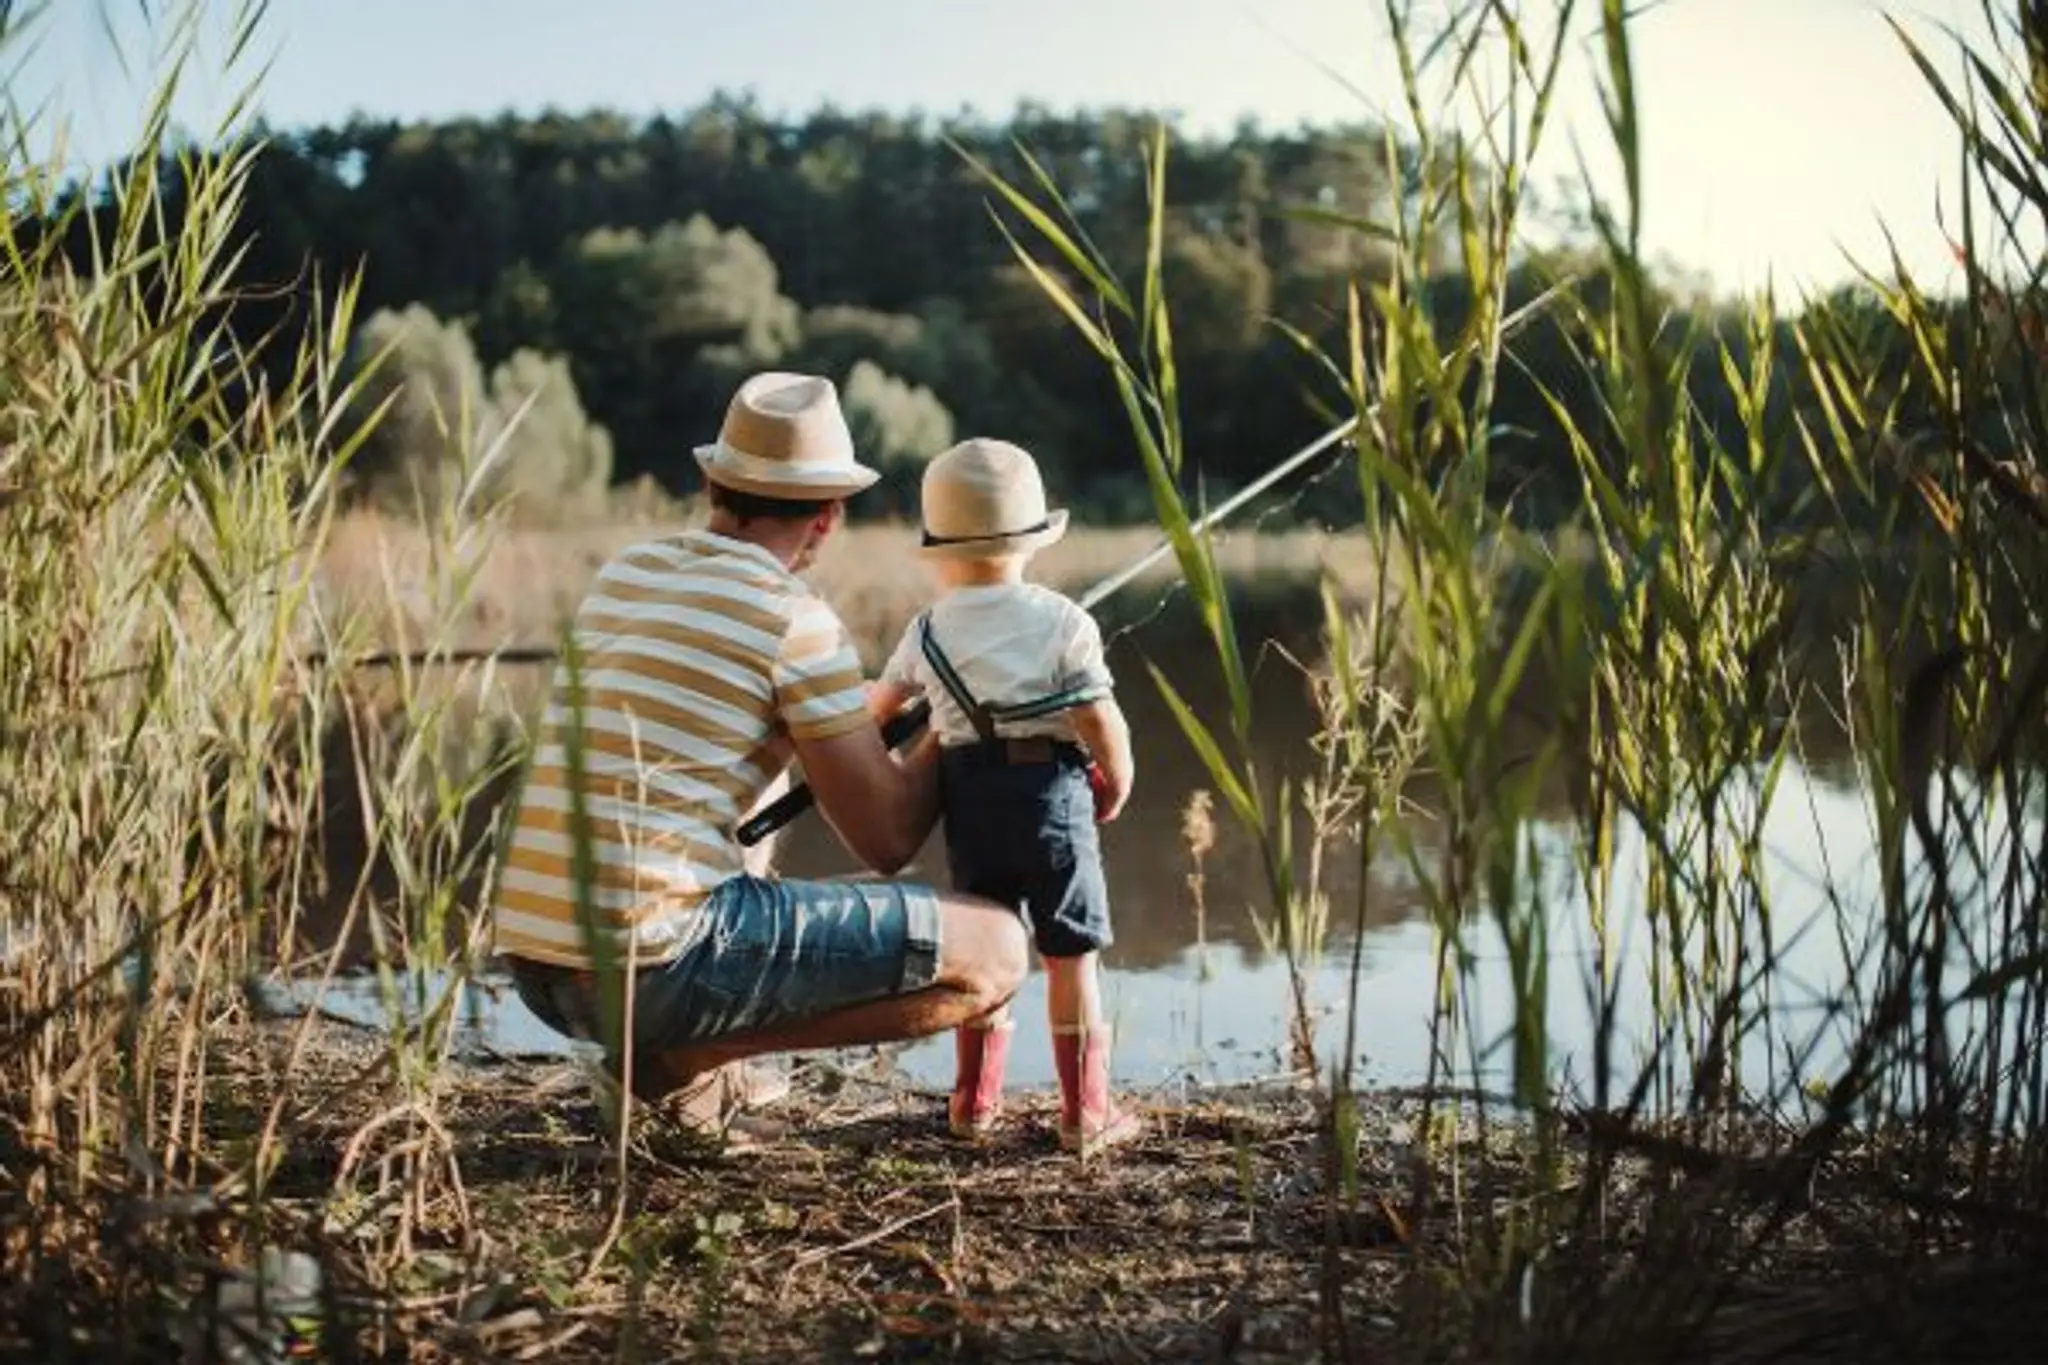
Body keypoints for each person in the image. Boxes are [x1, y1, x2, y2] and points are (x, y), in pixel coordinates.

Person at [488, 372, 1029, 1141]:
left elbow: (694, 739)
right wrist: (956, 707)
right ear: (829, 517)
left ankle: (685, 1059)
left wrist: (820, 723)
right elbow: (887, 839)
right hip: (647, 971)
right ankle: (678, 1062)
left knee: (745, 807)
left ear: (714, 485)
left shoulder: (626, 574)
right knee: (997, 952)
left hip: (536, 963)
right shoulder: (795, 619)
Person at [865, 438, 1144, 1156]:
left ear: (940, 550)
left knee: (988, 950)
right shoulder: (1064, 620)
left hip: (970, 801)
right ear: (1030, 540)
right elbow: (1098, 718)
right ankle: (1085, 1114)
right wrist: (1118, 778)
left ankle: (973, 1102)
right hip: (1052, 795)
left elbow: (878, 710)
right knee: (1070, 954)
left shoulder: (927, 629)